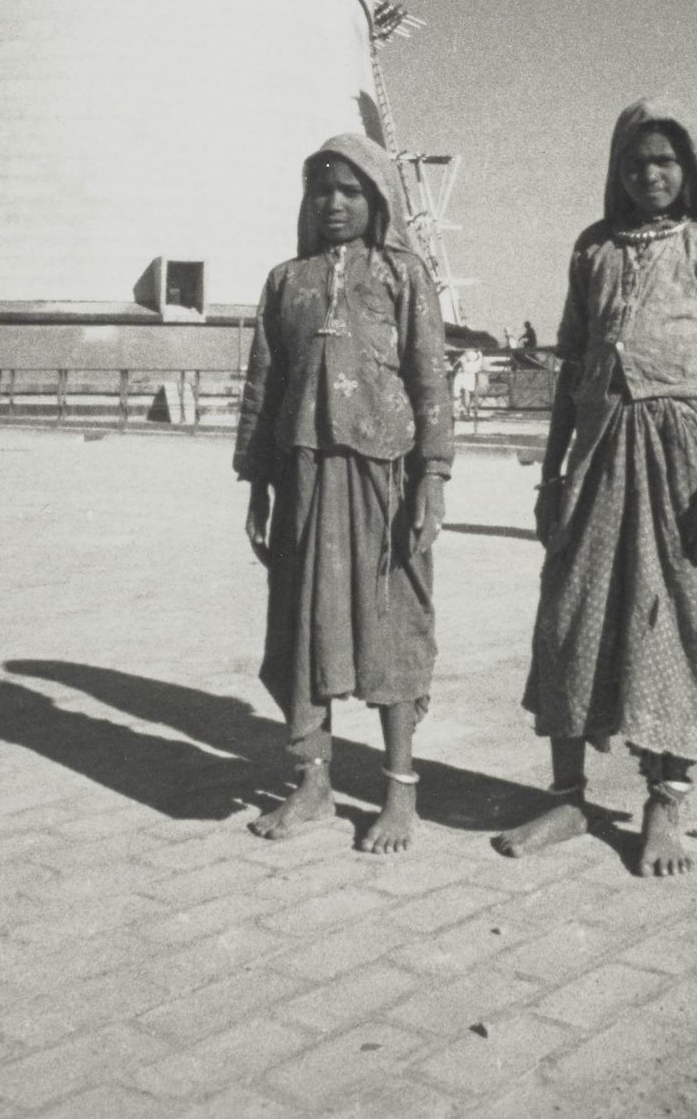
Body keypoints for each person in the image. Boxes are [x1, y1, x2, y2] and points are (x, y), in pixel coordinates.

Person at [495, 100, 697, 878]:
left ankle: (665, 801)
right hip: (598, 449)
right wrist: (552, 474)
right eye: (635, 162)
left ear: (691, 170)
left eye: (666, 161)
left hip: (685, 452)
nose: (650, 175)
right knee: (569, 616)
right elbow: (572, 368)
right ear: (616, 171)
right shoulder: (594, 249)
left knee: (678, 617)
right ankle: (568, 795)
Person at [234, 134, 453, 854]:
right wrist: (258, 486)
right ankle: (313, 785)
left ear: (379, 199)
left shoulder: (404, 274)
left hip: (382, 477)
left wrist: (433, 480)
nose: (334, 203)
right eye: (322, 189)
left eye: (351, 191)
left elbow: (429, 380)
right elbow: (263, 388)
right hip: (301, 475)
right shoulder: (284, 280)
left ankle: (398, 791)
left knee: (389, 624)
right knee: (302, 629)